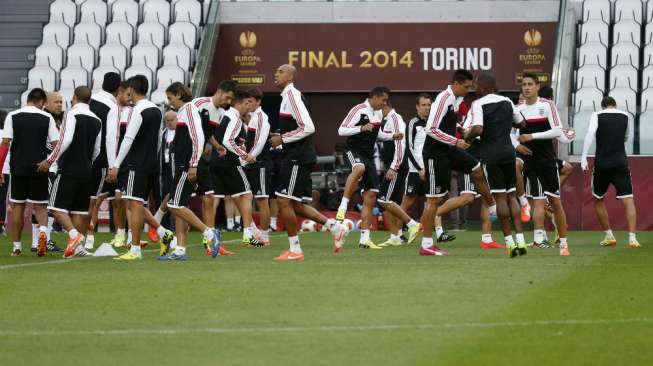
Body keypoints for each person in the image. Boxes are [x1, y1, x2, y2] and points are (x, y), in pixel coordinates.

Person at [270, 64, 348, 261]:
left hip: (297, 157)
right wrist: (281, 138)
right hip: (297, 155)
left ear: (290, 77)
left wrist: (283, 139)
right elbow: (297, 127)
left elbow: (308, 127)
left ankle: (295, 250)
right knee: (294, 204)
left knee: (282, 200)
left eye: (280, 71)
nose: (275, 74)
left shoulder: (292, 95)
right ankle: (335, 227)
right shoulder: (286, 97)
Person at [420, 70, 497, 257]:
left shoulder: (457, 100)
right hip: (434, 154)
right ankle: (427, 245)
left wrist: (460, 130)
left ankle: (493, 207)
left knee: (477, 169)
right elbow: (430, 128)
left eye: (471, 87)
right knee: (433, 200)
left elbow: (447, 125)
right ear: (456, 84)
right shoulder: (444, 98)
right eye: (466, 87)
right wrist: (455, 141)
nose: (469, 90)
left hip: (449, 151)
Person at [337, 87, 420, 249]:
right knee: (359, 168)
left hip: (368, 157)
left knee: (371, 197)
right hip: (354, 151)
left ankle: (365, 239)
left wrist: (392, 136)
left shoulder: (378, 113)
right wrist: (361, 128)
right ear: (374, 97)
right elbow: (341, 130)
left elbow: (378, 135)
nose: (384, 103)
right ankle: (343, 205)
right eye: (383, 100)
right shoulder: (358, 110)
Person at [107, 75, 174, 261]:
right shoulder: (157, 110)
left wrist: (116, 165)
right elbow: (158, 140)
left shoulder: (138, 111)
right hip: (152, 163)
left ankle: (135, 249)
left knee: (134, 204)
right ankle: (162, 232)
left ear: (131, 90)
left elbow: (128, 139)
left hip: (137, 164)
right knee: (133, 202)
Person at [464, 72, 529, 258]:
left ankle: (509, 243)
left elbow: (477, 129)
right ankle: (522, 241)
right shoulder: (508, 102)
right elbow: (522, 123)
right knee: (512, 195)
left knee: (499, 198)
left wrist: (466, 136)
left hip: (492, 154)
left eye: (476, 86)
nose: (475, 89)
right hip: (509, 152)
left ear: (483, 87)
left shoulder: (478, 104)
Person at [37, 86, 101, 258]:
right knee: (79, 211)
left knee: (55, 207)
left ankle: (74, 236)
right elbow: (97, 149)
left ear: (74, 97)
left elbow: (65, 141)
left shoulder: (71, 114)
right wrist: (87, 163)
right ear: (89, 100)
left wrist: (50, 160)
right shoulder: (97, 120)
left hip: (68, 168)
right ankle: (78, 248)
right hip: (87, 170)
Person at [161, 82, 220, 260]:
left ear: (179, 94)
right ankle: (180, 249)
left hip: (186, 165)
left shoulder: (188, 109)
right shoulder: (184, 111)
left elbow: (198, 137)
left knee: (174, 205)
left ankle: (209, 233)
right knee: (179, 205)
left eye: (170, 98)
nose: (169, 102)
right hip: (183, 163)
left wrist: (193, 164)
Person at [515, 74, 570, 256]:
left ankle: (563, 244)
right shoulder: (517, 109)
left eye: (530, 84)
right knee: (537, 201)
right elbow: (510, 134)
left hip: (546, 160)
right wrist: (518, 145)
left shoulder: (547, 105)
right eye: (524, 85)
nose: (527, 88)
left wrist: (532, 136)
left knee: (555, 202)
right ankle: (539, 238)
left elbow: (557, 130)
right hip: (529, 162)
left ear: (537, 87)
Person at [0, 88, 59, 257]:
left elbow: (5, 143)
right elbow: (57, 144)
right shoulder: (47, 117)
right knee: (41, 208)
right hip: (39, 167)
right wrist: (49, 162)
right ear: (42, 102)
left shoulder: (13, 115)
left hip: (18, 167)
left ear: (29, 99)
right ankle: (42, 234)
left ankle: (17, 248)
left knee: (18, 208)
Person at [581, 96, 640, 248]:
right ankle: (632, 238)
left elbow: (590, 134)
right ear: (615, 105)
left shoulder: (597, 115)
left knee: (598, 198)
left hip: (602, 164)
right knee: (628, 200)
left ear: (603, 106)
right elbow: (627, 136)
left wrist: (583, 157)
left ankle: (609, 236)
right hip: (621, 162)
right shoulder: (626, 116)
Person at [86, 72, 121, 250]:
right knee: (94, 199)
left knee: (85, 198)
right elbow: (111, 138)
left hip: (82, 155)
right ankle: (89, 239)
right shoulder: (112, 107)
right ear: (118, 89)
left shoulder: (89, 100)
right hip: (100, 158)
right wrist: (112, 164)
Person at [376, 101, 412, 247]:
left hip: (395, 167)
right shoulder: (388, 120)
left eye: (379, 109)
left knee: (384, 199)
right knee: (393, 201)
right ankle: (398, 234)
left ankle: (409, 226)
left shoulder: (395, 118)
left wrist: (393, 167)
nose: (377, 112)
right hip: (393, 166)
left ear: (385, 106)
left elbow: (400, 144)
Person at [243, 88, 273, 244]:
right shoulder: (253, 117)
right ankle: (253, 231)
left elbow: (260, 142)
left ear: (258, 102)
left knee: (262, 199)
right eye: (246, 102)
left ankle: (265, 236)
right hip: (252, 163)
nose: (247, 105)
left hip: (260, 163)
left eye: (250, 102)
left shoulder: (262, 117)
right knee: (245, 196)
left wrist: (249, 157)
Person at [108, 81, 132, 247]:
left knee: (129, 200)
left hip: (130, 160)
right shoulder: (113, 111)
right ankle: (120, 234)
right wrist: (112, 164)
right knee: (118, 200)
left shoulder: (132, 110)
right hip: (117, 161)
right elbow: (110, 138)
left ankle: (131, 235)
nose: (130, 98)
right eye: (127, 95)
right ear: (120, 93)